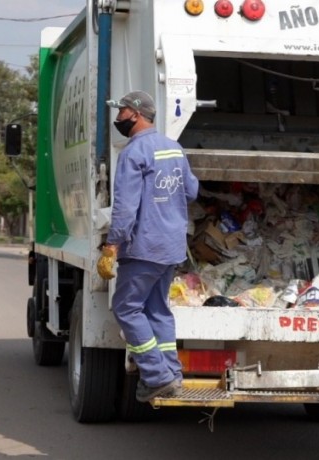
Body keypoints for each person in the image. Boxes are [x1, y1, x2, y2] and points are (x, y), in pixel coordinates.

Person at [97, 90, 199, 403]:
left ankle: (157, 376)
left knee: (126, 308)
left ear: (136, 114)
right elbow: (192, 190)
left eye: (121, 112)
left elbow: (126, 208)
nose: (117, 119)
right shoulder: (173, 148)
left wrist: (112, 245)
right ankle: (171, 374)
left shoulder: (134, 152)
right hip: (171, 246)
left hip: (144, 247)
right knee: (157, 310)